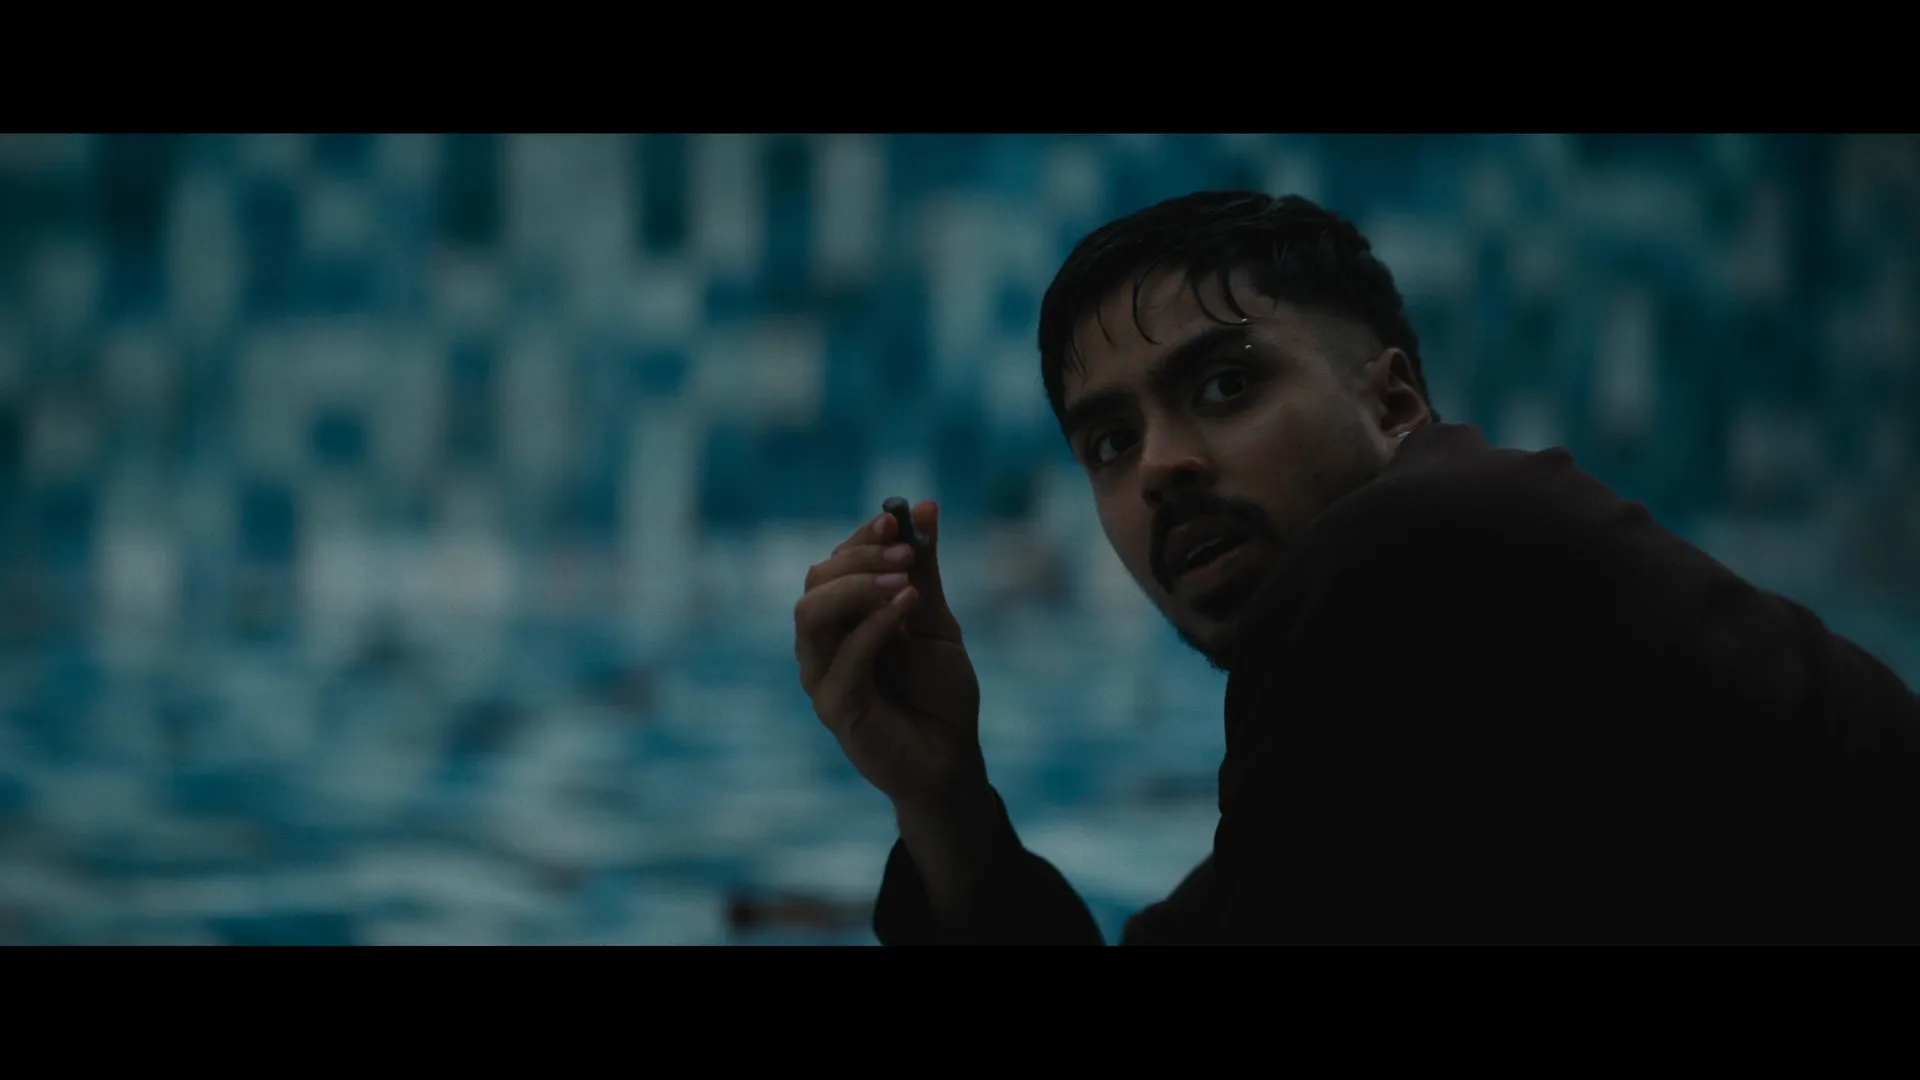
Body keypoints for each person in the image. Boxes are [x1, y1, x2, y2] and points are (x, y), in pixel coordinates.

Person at [791, 190, 1920, 944]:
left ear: (1393, 403)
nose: (1162, 467)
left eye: (1226, 385)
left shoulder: (1413, 555)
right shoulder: (1426, 668)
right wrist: (942, 797)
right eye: (1109, 442)